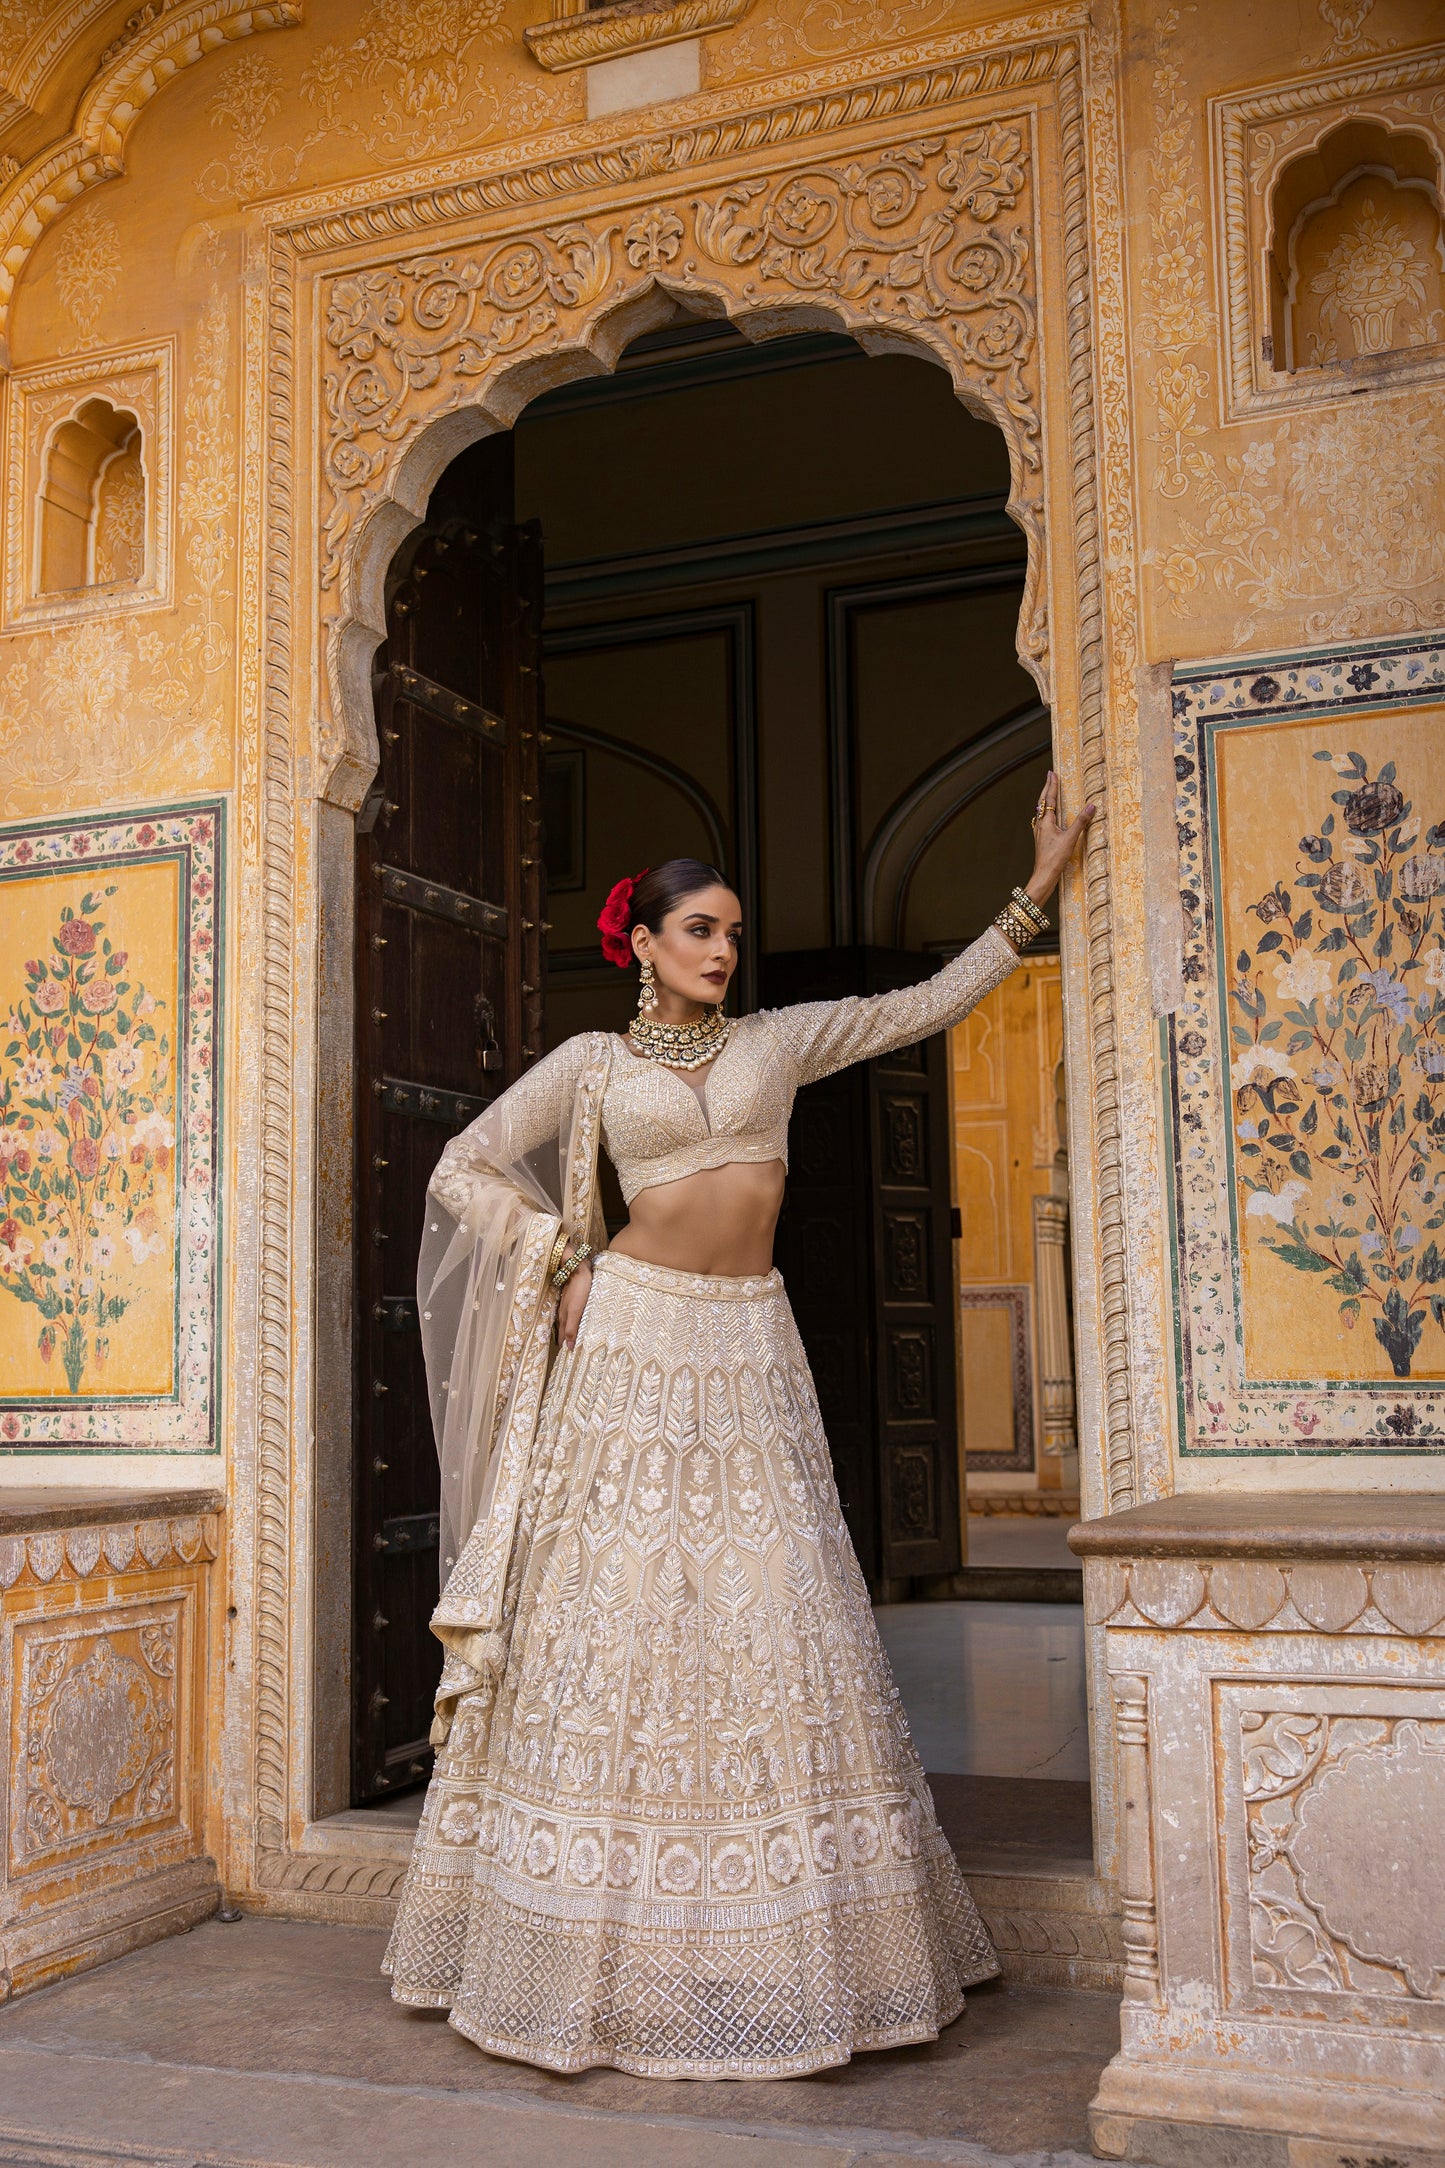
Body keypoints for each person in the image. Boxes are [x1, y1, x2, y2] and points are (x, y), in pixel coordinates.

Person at [384, 772, 1094, 2077]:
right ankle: (611, 1955)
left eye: (729, 930)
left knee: (776, 1615)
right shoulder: (591, 1066)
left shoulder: (779, 1044)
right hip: (634, 1344)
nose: (720, 950)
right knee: (626, 1623)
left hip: (748, 1345)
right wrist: (564, 1252)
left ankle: (778, 1949)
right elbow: (461, 1166)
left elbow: (921, 1004)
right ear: (640, 944)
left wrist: (1032, 888)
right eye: (698, 929)